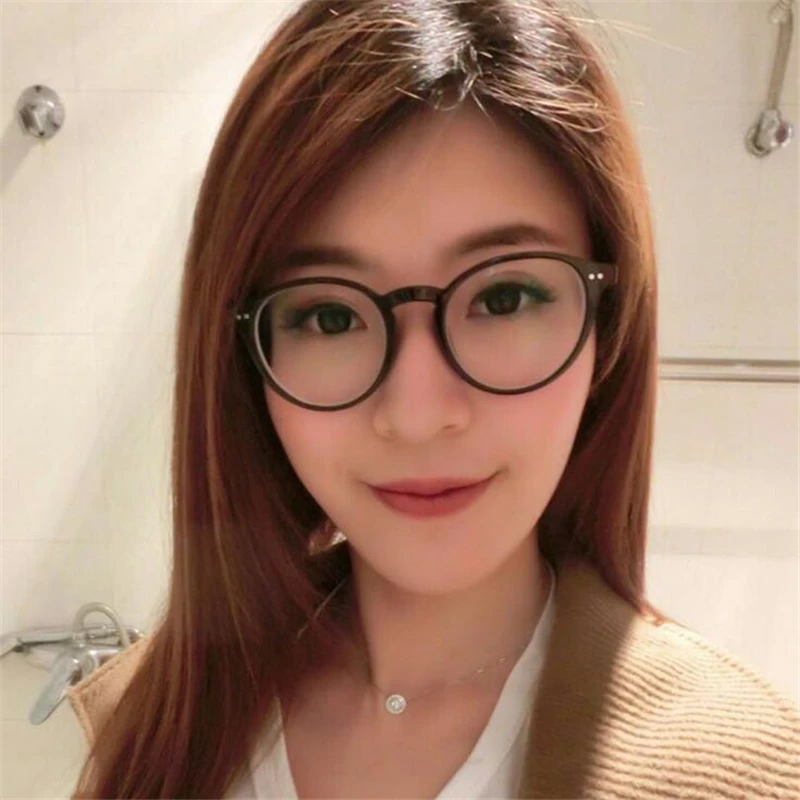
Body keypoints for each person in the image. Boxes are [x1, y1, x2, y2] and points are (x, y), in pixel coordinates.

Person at [68, 1, 799, 798]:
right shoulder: (152, 725)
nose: (417, 416)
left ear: (608, 328)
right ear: (244, 361)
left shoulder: (743, 768)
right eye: (330, 316)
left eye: (505, 298)